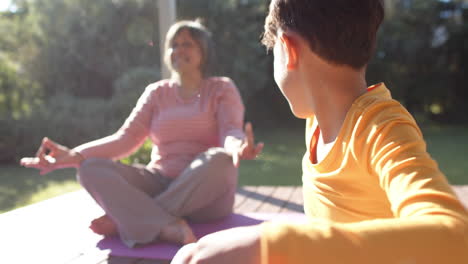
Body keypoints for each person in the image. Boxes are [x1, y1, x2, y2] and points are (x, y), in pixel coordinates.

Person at [170, 1, 468, 263]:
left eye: (272, 51)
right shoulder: (316, 122)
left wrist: (269, 244)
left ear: (288, 49)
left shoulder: (380, 126)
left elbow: (455, 237)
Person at [20, 20, 263, 248]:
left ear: (204, 51)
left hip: (206, 196)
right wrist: (75, 154)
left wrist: (237, 147)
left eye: (187, 43)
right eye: (173, 45)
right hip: (159, 181)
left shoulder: (221, 88)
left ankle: (132, 220)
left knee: (220, 159)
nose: (178, 50)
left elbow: (231, 130)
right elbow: (125, 139)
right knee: (90, 169)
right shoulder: (156, 93)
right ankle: (165, 224)